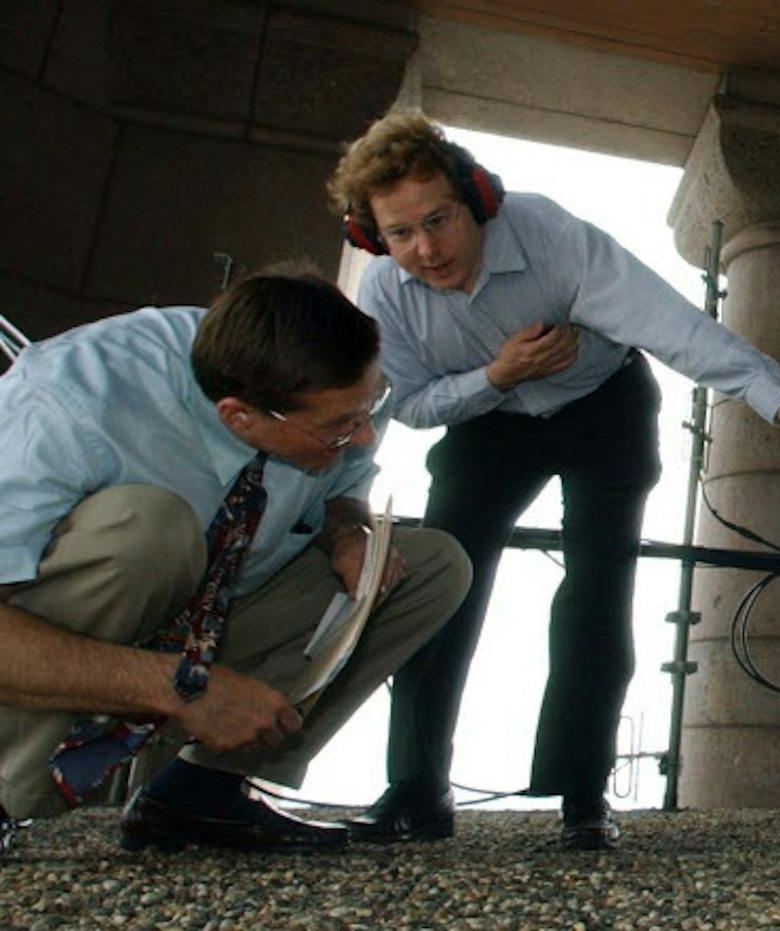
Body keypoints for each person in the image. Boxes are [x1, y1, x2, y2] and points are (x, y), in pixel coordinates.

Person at [326, 113, 780, 850]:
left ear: (478, 199)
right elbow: (415, 405)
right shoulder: (387, 294)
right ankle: (417, 790)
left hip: (604, 406)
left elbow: (672, 326)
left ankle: (583, 795)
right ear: (373, 238)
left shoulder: (551, 236)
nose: (425, 249)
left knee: (596, 588)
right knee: (441, 582)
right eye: (400, 234)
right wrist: (497, 375)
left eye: (439, 220)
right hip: (486, 416)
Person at [0, 270, 471, 856]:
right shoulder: (67, 401)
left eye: (368, 409)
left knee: (432, 567)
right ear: (240, 417)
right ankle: (5, 793)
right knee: (152, 529)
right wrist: (185, 690)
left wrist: (348, 532)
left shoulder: (332, 385)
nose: (365, 437)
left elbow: (344, 488)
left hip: (211, 615)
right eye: (338, 429)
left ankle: (199, 792)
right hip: (71, 629)